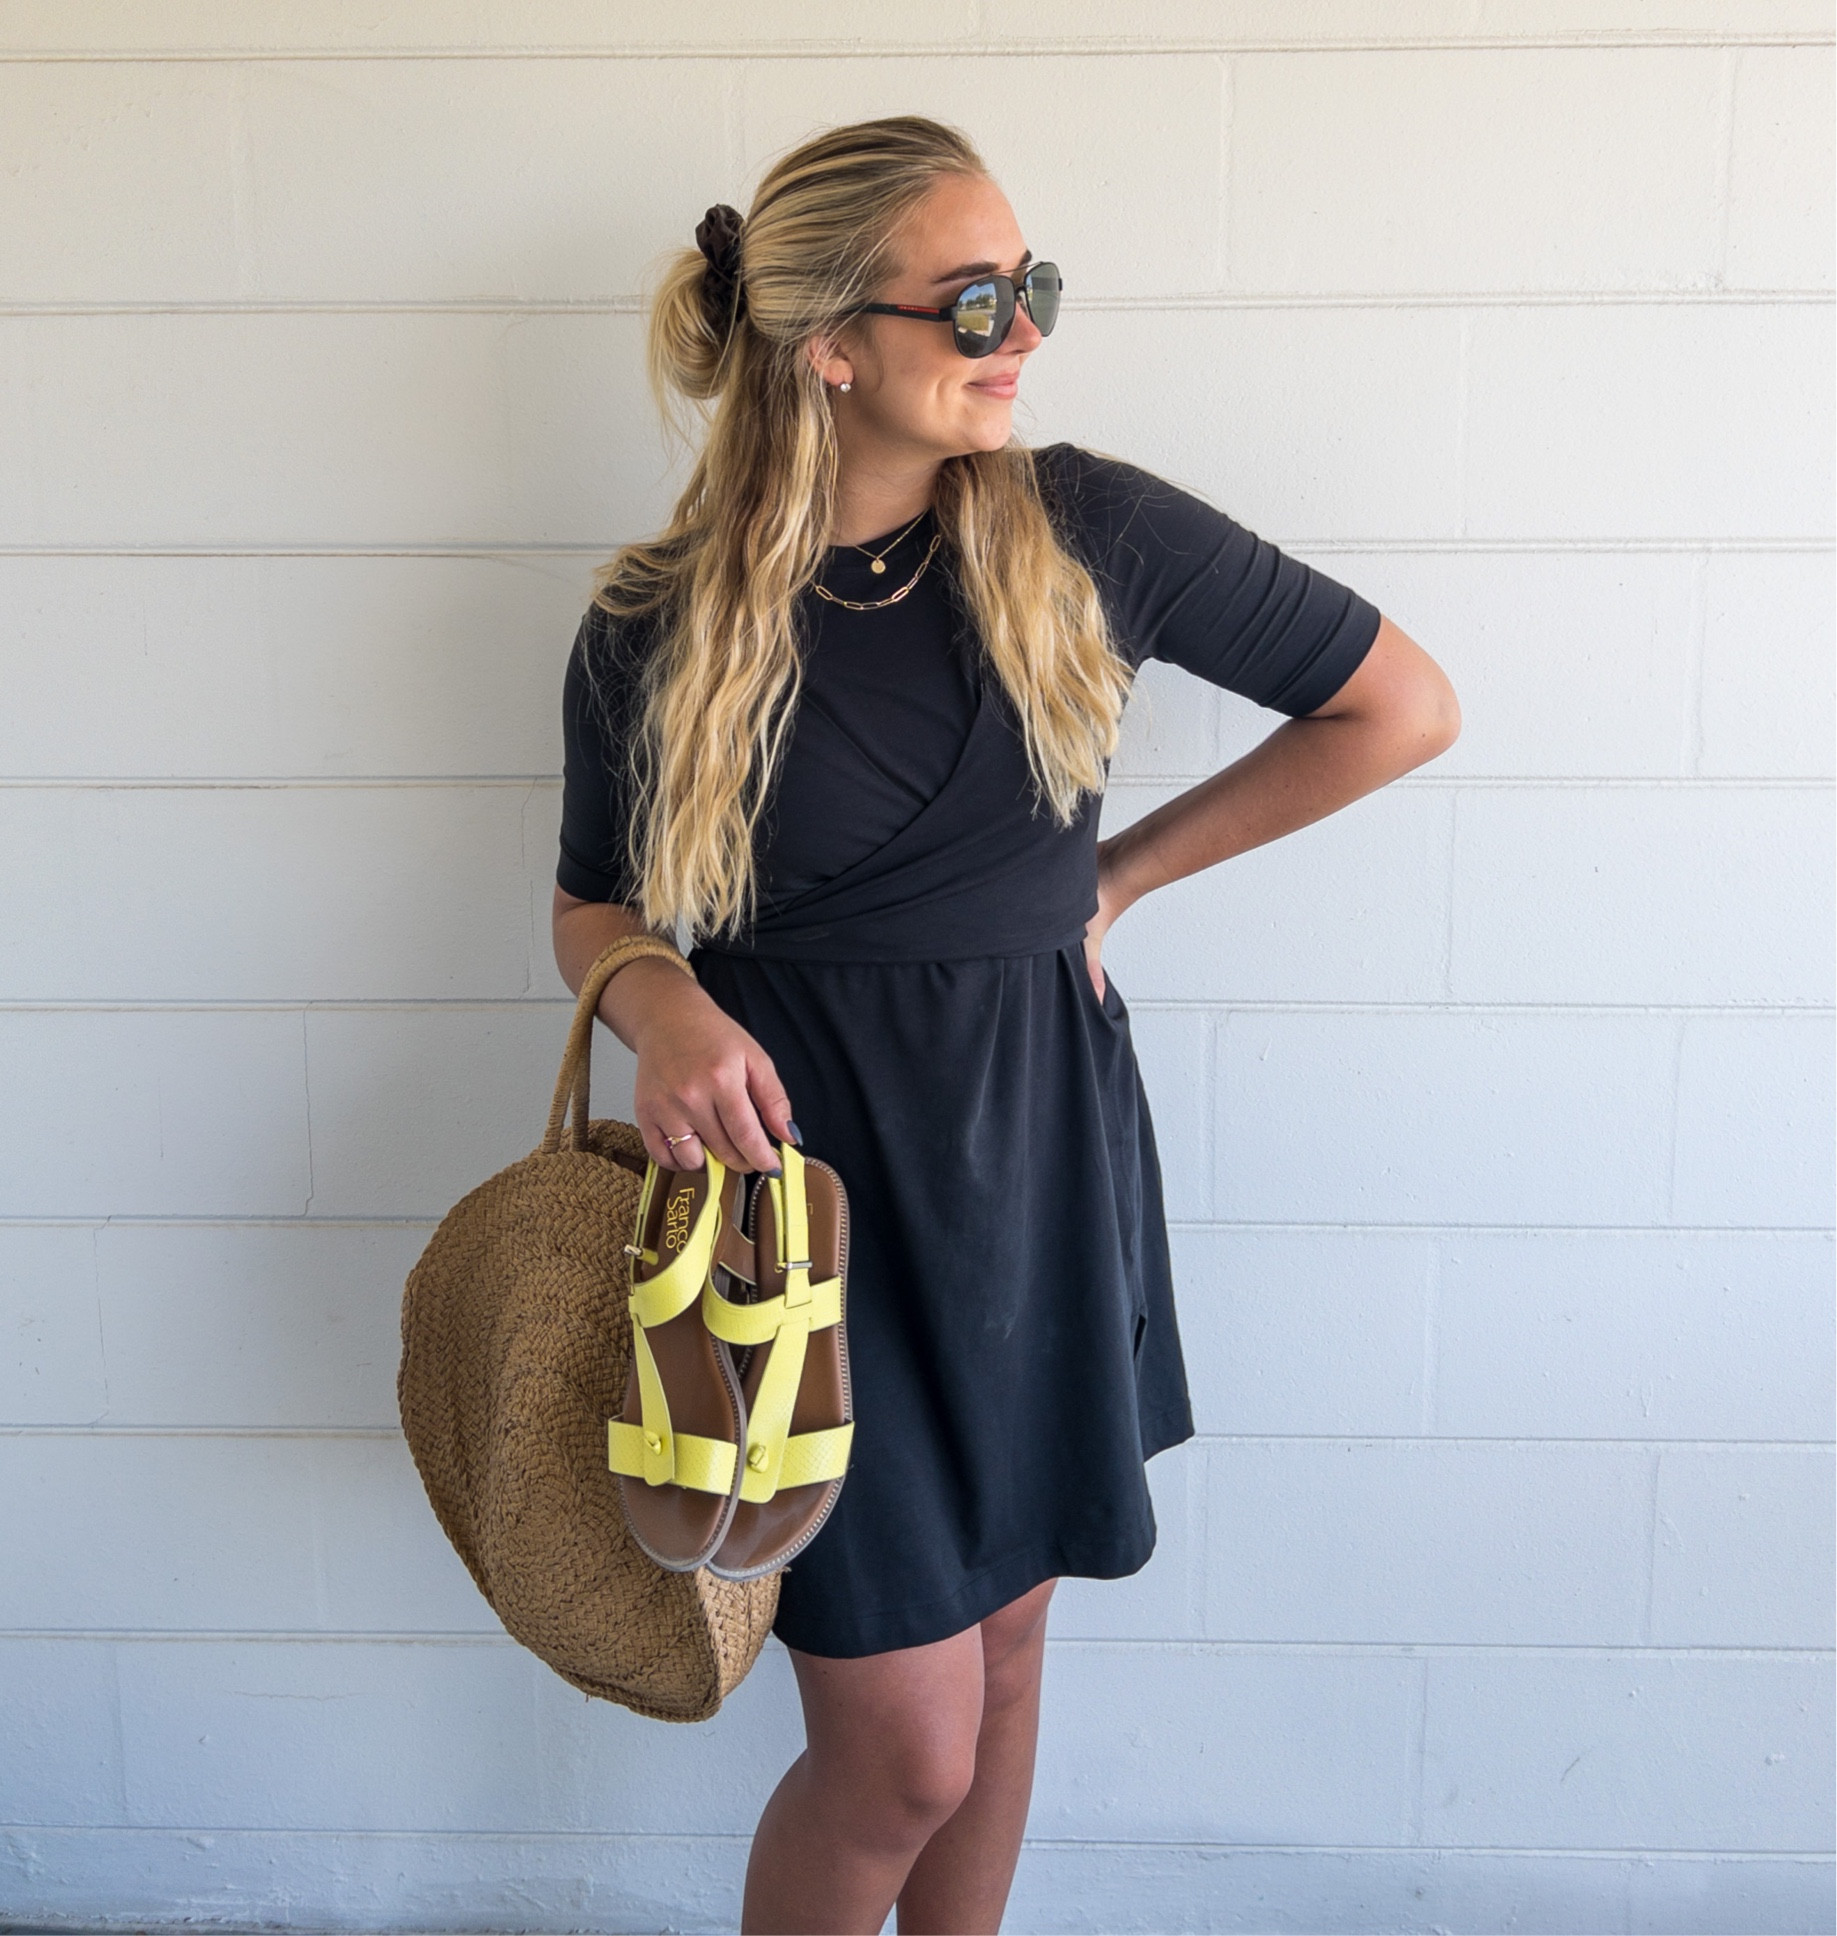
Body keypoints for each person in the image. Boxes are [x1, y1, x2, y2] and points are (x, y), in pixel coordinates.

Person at [552, 115, 1459, 1936]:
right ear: (828, 345)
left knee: (1016, 1661)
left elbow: (1399, 706)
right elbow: (593, 902)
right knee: (903, 1754)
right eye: (978, 300)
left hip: (1038, 1158)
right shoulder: (654, 622)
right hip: (806, 1207)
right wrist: (656, 1007)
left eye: (1031, 286)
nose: (1022, 330)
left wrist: (1109, 883)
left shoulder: (1086, 528)